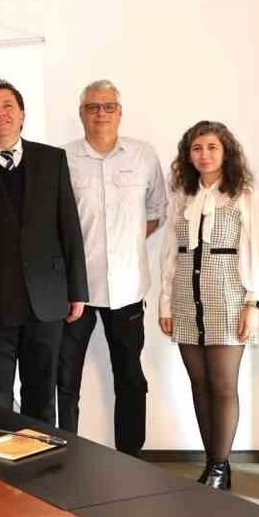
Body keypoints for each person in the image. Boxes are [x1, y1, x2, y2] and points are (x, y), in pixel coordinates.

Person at [0, 80, 87, 422]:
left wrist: (78, 291)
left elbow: (69, 228)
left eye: (8, 106)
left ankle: (41, 458)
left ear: (22, 114)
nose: (1, 114)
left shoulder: (52, 160)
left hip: (47, 302)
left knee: (42, 399)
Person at [158, 120, 259, 490]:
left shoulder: (242, 194)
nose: (204, 155)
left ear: (225, 152)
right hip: (186, 299)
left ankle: (220, 466)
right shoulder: (183, 195)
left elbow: (255, 250)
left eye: (211, 147)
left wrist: (253, 302)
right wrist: (165, 303)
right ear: (188, 155)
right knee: (199, 384)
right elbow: (169, 252)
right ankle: (212, 463)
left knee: (222, 385)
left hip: (228, 298)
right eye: (197, 148)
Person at [59, 80, 166, 456]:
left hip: (127, 288)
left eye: (108, 106)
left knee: (130, 378)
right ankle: (63, 455)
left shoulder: (143, 155)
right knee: (65, 378)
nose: (100, 113)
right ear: (81, 114)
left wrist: (125, 244)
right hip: (77, 291)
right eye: (92, 107)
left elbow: (156, 211)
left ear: (120, 112)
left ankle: (131, 458)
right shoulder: (63, 158)